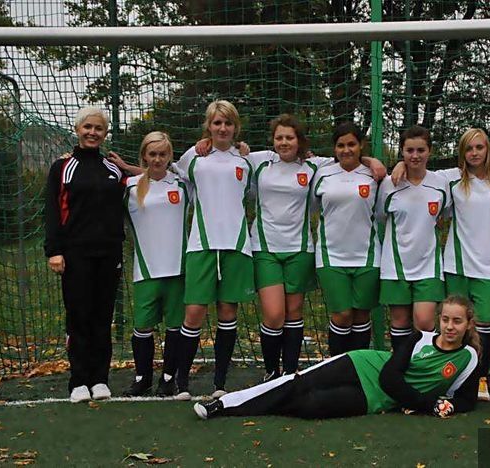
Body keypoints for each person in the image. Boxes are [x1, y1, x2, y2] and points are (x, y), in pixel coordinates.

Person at [194, 115, 386, 381]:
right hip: (265, 248)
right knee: (274, 315)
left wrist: (372, 161)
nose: (284, 142)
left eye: (290, 137)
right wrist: (207, 142)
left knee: (295, 313)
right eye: (279, 138)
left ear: (299, 141)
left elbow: (347, 159)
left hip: (300, 249)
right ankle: (271, 372)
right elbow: (228, 151)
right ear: (273, 141)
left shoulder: (315, 166)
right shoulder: (258, 161)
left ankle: (290, 373)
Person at [193, 295, 480, 420]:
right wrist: (427, 404)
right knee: (298, 382)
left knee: (311, 405)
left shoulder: (469, 359)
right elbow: (389, 377)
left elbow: (467, 400)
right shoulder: (420, 339)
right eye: (445, 319)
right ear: (439, 320)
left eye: (457, 321)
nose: (450, 327)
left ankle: (266, 405)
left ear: (468, 324)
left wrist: (448, 406)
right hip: (362, 365)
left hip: (375, 400)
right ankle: (224, 405)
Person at [394, 128, 490, 400]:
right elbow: (418, 172)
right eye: (469, 148)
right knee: (454, 324)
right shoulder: (450, 179)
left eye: (479, 147)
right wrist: (399, 164)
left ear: (488, 149)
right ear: (462, 153)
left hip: (489, 266)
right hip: (457, 265)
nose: (474, 153)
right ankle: (453, 376)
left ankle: (480, 378)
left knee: (484, 324)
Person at [174, 100, 256, 400]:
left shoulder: (246, 160)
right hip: (201, 246)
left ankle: (220, 382)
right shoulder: (193, 157)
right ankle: (181, 382)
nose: (222, 128)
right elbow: (161, 173)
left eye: (228, 123)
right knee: (194, 312)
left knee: (227, 312)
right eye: (217, 123)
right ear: (208, 126)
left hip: (236, 246)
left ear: (236, 127)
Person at [44, 107, 126, 403]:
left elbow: (148, 181)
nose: (93, 132)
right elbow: (52, 210)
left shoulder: (113, 168)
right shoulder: (62, 167)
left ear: (105, 133)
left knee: (102, 317)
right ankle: (78, 380)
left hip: (109, 253)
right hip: (75, 253)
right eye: (87, 127)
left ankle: (100, 379)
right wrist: (54, 251)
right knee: (79, 315)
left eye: (98, 128)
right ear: (78, 130)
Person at [122, 132, 189, 397]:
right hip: (146, 269)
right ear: (144, 156)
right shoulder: (129, 187)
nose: (157, 159)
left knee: (175, 326)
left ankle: (169, 378)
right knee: (142, 326)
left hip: (178, 269)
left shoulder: (183, 184)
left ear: (170, 156)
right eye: (152, 154)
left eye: (162, 154)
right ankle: (142, 378)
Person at [312, 123, 382, 356]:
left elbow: (382, 211)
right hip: (331, 255)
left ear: (361, 145)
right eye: (340, 145)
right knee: (342, 315)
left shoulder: (374, 175)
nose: (346, 150)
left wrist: (372, 162)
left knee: (361, 314)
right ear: (334, 148)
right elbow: (313, 206)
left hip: (367, 256)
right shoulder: (323, 174)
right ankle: (336, 367)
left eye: (351, 144)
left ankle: (358, 369)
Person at [376, 125, 447, 352]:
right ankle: (400, 367)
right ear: (402, 152)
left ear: (430, 151)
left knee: (424, 322)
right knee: (399, 322)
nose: (415, 156)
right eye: (409, 151)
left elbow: (444, 215)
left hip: (428, 265)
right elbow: (380, 216)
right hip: (396, 265)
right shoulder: (389, 184)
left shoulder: (441, 183)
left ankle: (424, 366)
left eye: (420, 150)